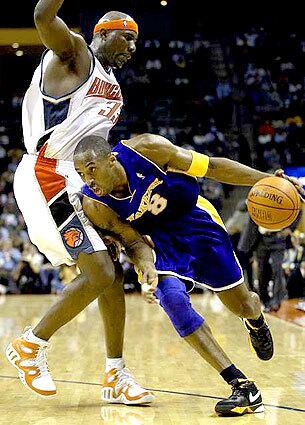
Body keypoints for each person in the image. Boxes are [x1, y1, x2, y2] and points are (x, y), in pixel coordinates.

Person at [73, 133, 303, 416]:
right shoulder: (95, 203)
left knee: (243, 304)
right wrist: (146, 268)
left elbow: (213, 167)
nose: (89, 179)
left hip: (197, 223)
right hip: (161, 244)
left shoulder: (147, 149)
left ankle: (255, 321)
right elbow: (132, 242)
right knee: (173, 300)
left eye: (92, 169)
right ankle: (241, 385)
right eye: (81, 173)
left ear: (112, 159)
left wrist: (266, 180)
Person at [6, 0, 156, 405]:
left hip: (78, 180)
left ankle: (115, 373)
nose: (132, 47)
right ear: (102, 33)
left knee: (112, 275)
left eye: (137, 41)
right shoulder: (74, 56)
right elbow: (41, 17)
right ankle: (30, 345)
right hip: (46, 172)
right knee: (99, 271)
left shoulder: (114, 86)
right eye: (127, 37)